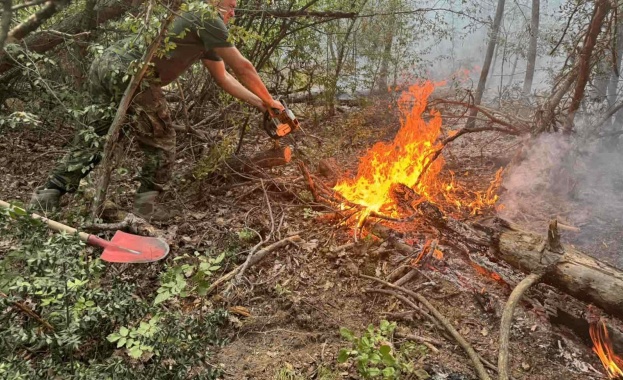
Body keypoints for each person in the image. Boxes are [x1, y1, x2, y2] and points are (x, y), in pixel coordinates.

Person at [30, 0, 284, 221]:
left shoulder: (198, 21)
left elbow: (224, 78)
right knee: (161, 138)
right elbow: (244, 67)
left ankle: (49, 194)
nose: (233, 14)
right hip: (132, 71)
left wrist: (263, 104)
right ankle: (145, 209)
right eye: (231, 7)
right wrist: (271, 98)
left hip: (107, 62)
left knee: (97, 135)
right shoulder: (207, 17)